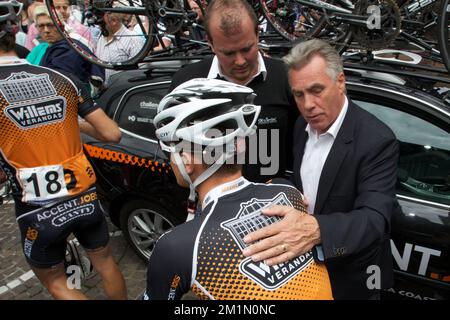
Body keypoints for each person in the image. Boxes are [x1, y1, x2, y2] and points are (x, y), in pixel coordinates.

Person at [144, 78, 333, 300]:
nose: (169, 162)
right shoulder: (287, 191)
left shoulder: (175, 246)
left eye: (169, 154)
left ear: (186, 161)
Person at [242, 39, 400, 300]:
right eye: (298, 94)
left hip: (352, 278)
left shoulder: (377, 140)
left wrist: (316, 229)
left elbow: (375, 220)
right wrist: (280, 190)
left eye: (316, 90)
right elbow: (302, 183)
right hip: (304, 272)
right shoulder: (300, 128)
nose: (307, 105)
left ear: (340, 81)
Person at [0, 0, 127, 300]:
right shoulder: (61, 78)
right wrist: (71, 119)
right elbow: (112, 133)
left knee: (57, 282)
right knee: (106, 263)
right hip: (83, 194)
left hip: (37, 207)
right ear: (17, 30)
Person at [169, 0, 297, 183]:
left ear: (258, 34)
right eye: (228, 53)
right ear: (210, 43)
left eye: (247, 49)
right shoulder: (187, 83)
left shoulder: (285, 77)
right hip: (213, 206)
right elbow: (176, 154)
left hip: (273, 205)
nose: (240, 61)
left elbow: (306, 147)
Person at [33, 6, 105, 92]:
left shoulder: (68, 50)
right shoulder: (55, 46)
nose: (46, 30)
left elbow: (58, 87)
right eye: (41, 26)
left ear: (61, 26)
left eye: (50, 25)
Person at [95, 10, 144, 85]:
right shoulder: (101, 38)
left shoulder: (133, 40)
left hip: (122, 92)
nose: (99, 26)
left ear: (114, 21)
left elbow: (138, 74)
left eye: (102, 23)